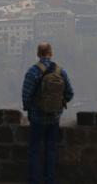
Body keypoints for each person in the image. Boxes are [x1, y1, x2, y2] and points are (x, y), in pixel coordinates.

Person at [22, 42, 74, 184]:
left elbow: (26, 96)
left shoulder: (33, 71)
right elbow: (70, 93)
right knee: (50, 150)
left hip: (37, 118)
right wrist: (59, 105)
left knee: (34, 150)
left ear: (38, 54)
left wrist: (30, 109)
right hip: (54, 117)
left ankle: (34, 180)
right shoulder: (60, 71)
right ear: (51, 53)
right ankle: (49, 180)